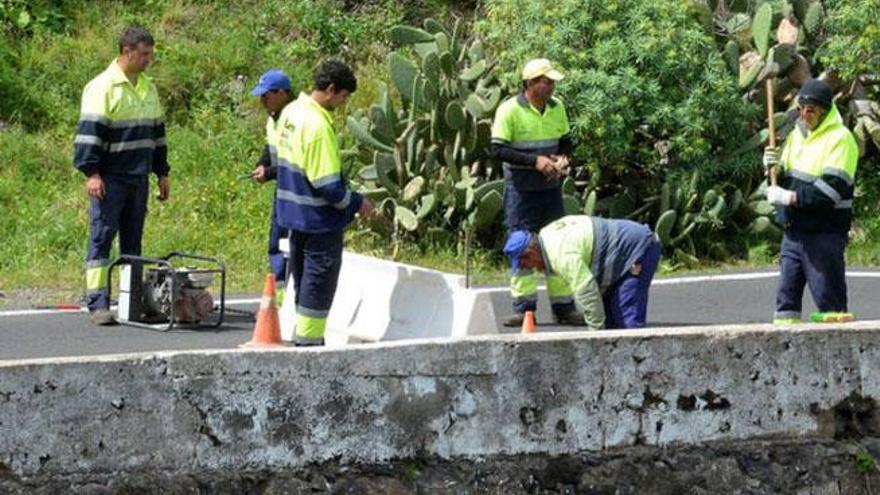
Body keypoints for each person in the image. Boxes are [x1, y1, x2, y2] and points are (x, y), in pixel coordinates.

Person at [274, 60, 374, 346]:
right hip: (319, 220)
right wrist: (356, 203)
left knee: (303, 281)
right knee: (318, 284)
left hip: (294, 216)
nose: (344, 104)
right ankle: (309, 343)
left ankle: (302, 337)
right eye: (344, 96)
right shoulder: (317, 125)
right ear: (331, 90)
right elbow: (328, 185)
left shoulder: (291, 111)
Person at [74, 27, 169, 326]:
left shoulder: (148, 87)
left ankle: (130, 302)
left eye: (150, 55)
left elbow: (157, 134)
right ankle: (97, 302)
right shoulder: (101, 88)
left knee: (133, 242)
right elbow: (89, 135)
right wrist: (92, 173)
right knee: (102, 238)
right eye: (143, 55)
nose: (148, 60)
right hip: (111, 178)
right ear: (127, 52)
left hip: (139, 177)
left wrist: (162, 172)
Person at [492, 58, 582, 327]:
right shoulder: (509, 110)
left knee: (559, 246)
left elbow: (566, 141)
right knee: (522, 245)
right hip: (521, 191)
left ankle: (564, 306)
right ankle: (524, 308)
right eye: (547, 81)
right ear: (531, 84)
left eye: (553, 81)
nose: (552, 86)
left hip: (551, 189)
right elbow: (498, 149)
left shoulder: (558, 108)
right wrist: (536, 162)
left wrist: (563, 158)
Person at [763, 78, 859, 324]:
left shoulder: (841, 139)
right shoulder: (796, 135)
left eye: (810, 110)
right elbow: (781, 179)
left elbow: (829, 193)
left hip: (823, 235)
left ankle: (840, 358)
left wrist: (788, 197)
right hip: (793, 233)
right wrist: (771, 168)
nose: (804, 115)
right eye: (800, 109)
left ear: (824, 111)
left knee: (830, 308)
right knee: (785, 308)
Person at [503, 215, 662, 330]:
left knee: (627, 322)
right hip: (620, 253)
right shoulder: (546, 235)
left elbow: (588, 292)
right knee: (611, 322)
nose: (526, 268)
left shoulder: (562, 255)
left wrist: (595, 337)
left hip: (638, 249)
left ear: (531, 253)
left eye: (525, 263)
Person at [249, 69, 294, 303]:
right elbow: (271, 149)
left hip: (298, 190)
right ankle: (280, 292)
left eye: (266, 95)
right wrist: (262, 165)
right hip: (282, 189)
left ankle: (292, 289)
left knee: (294, 241)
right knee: (276, 240)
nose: (262, 101)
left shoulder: (295, 119)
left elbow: (296, 161)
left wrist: (269, 173)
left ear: (281, 93)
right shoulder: (273, 119)